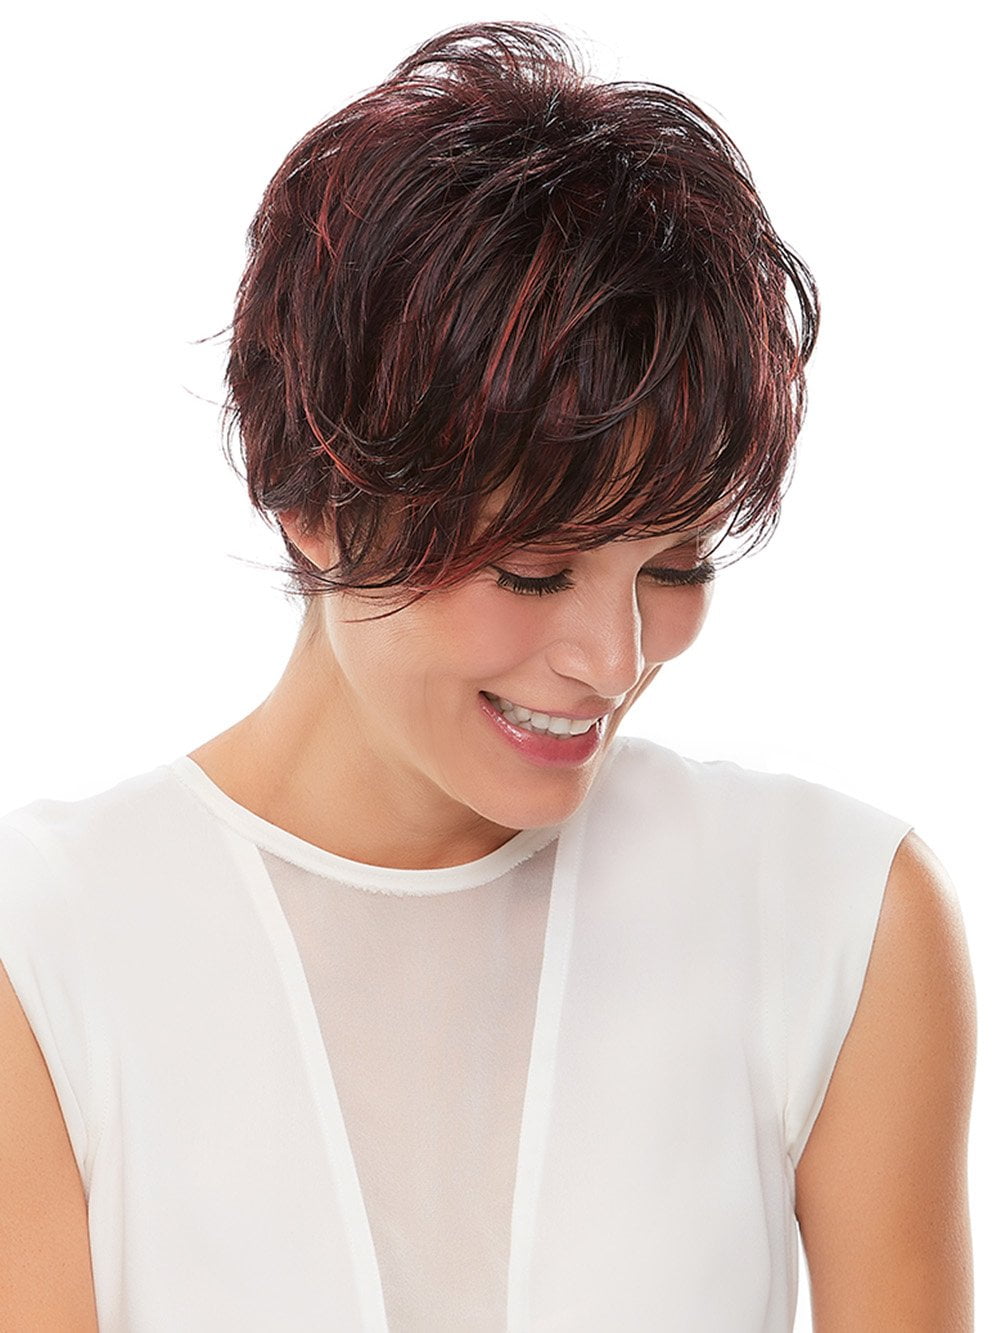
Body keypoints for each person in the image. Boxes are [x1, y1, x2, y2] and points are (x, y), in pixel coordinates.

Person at [0, 19, 975, 1332]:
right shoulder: (46, 952)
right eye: (533, 572)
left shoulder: (839, 918)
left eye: (674, 566)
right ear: (316, 499)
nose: (614, 659)